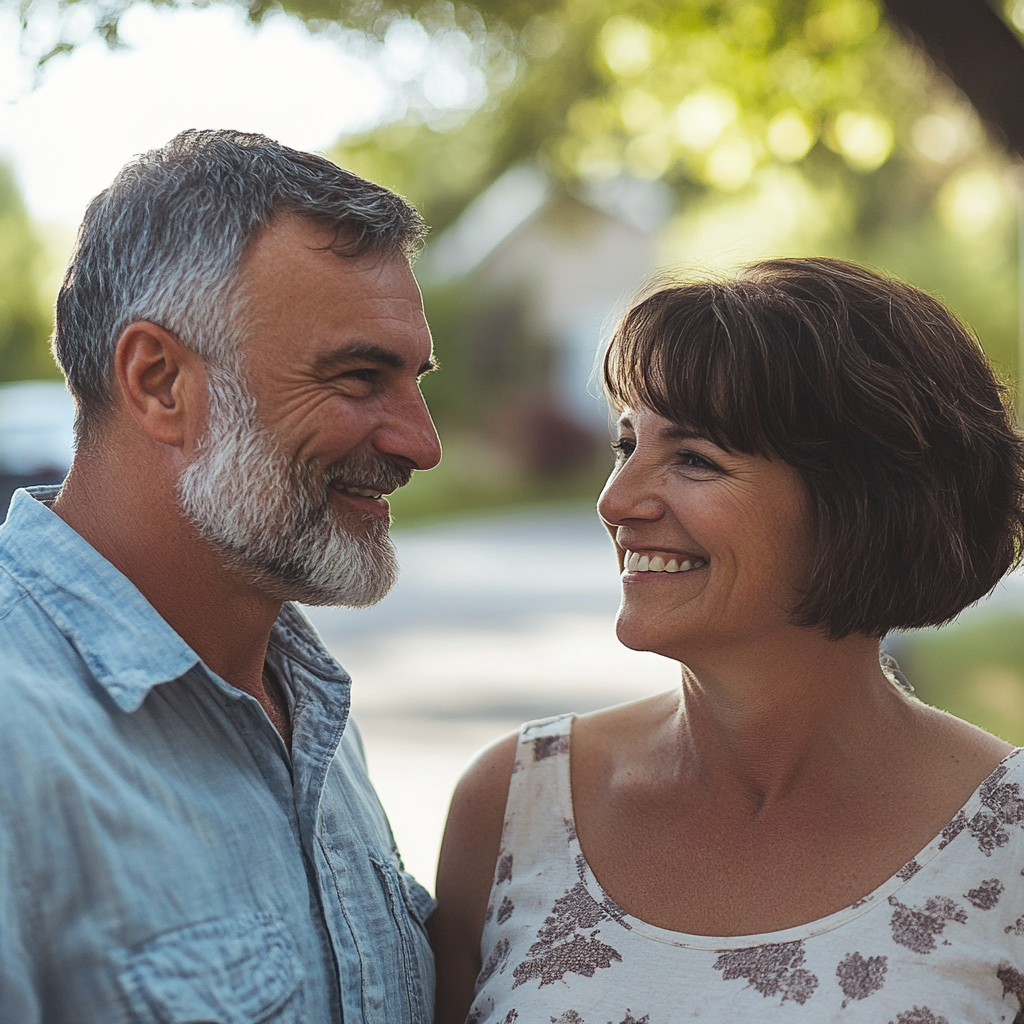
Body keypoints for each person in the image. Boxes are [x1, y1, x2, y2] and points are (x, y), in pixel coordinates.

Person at [430, 258, 1024, 1022]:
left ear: (864, 505)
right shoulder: (514, 806)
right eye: (625, 446)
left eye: (694, 459)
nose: (616, 502)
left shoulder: (1006, 844)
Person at [0, 130, 442, 1024]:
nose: (421, 443)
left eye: (416, 381)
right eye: (359, 378)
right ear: (159, 382)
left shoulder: (302, 701)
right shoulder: (17, 745)